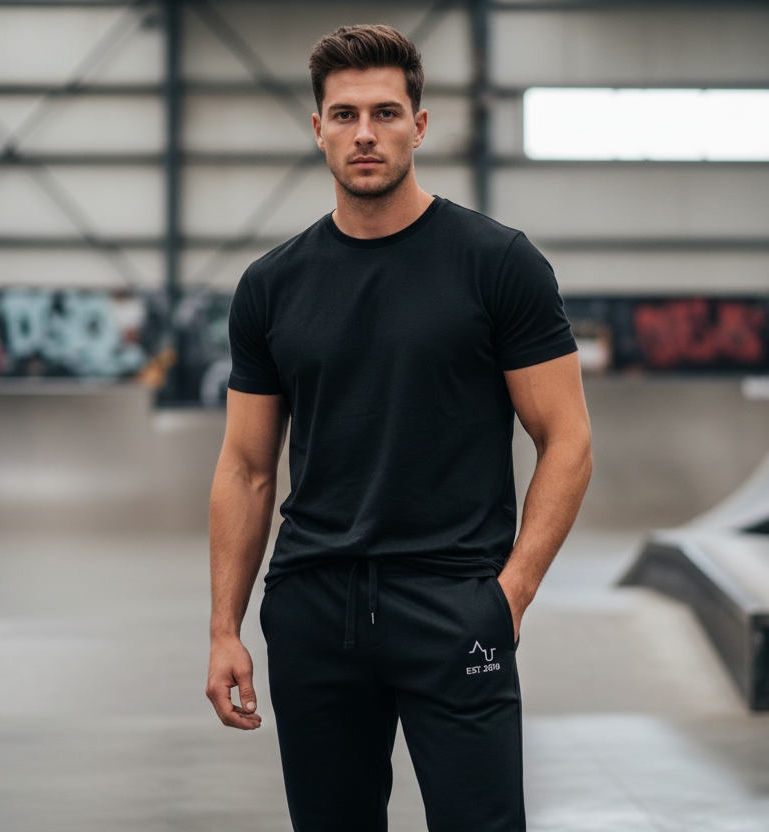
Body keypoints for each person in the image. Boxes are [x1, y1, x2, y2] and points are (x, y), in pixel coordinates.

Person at [206, 23, 592, 832]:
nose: (365, 133)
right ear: (318, 130)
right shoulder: (271, 286)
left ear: (420, 124)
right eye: (344, 116)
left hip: (453, 601)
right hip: (313, 605)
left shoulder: (497, 263)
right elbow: (245, 467)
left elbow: (567, 440)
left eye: (385, 112)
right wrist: (225, 629)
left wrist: (507, 597)